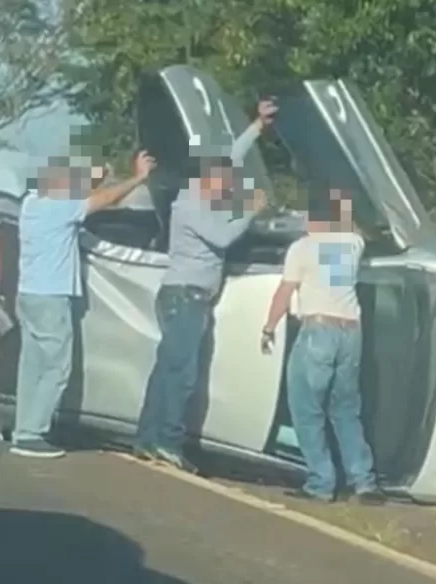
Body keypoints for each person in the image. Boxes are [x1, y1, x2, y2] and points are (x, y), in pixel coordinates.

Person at [134, 100, 277, 473]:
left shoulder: (197, 195)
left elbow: (231, 157)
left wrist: (257, 127)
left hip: (183, 296)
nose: (229, 183)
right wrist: (251, 209)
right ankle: (166, 441)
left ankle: (148, 438)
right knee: (181, 373)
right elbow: (223, 237)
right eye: (223, 180)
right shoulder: (194, 205)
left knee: (166, 369)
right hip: (187, 297)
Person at [11, 151, 156, 458]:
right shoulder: (60, 208)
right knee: (56, 368)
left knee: (32, 366)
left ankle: (23, 428)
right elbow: (104, 200)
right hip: (51, 296)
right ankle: (32, 434)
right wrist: (139, 177)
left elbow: (87, 191)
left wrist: (96, 174)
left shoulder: (32, 203)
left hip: (28, 294)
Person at [260, 184, 386, 505]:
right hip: (351, 333)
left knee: (306, 408)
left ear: (312, 220)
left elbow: (284, 294)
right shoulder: (353, 244)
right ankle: (364, 482)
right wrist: (341, 203)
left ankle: (321, 482)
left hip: (318, 331)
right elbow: (353, 225)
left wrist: (269, 327)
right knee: (345, 410)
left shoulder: (302, 249)